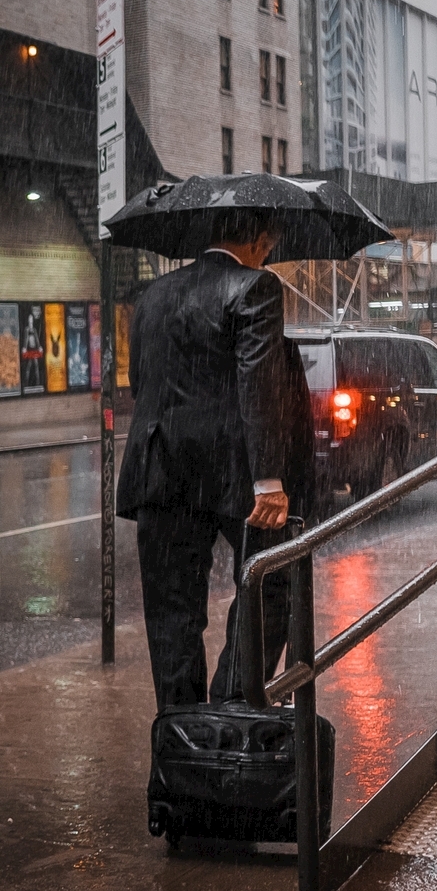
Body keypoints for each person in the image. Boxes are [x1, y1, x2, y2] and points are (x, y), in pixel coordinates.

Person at [116, 212, 315, 710]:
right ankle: (230, 710)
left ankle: (180, 736)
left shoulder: (153, 296)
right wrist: (270, 479)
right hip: (233, 472)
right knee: (271, 584)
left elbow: (142, 384)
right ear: (259, 238)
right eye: (269, 244)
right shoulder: (255, 288)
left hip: (158, 467)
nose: (268, 254)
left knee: (171, 613)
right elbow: (259, 384)